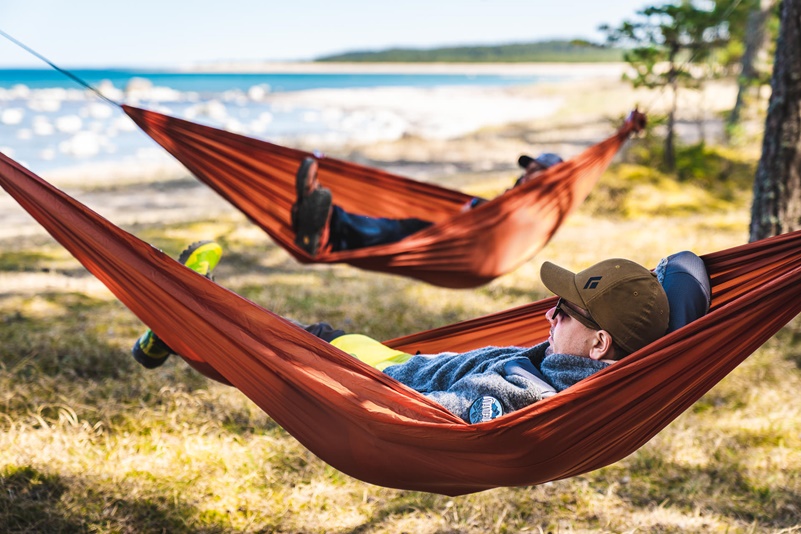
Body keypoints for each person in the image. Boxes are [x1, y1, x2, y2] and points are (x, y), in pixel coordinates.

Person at [132, 242, 711, 424]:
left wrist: (350, 405)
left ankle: (186, 309)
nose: (547, 316)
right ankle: (180, 322)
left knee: (263, 347)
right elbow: (685, 268)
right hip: (395, 360)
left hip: (367, 382)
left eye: (563, 312)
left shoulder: (534, 394)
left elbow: (447, 414)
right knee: (274, 338)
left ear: (601, 343)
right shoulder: (607, 358)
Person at [292, 152, 564, 256]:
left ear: (552, 178)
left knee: (404, 230)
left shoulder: (540, 207)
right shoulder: (518, 195)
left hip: (472, 248)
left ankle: (325, 219)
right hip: (463, 236)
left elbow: (503, 224)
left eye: (536, 170)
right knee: (399, 229)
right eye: (527, 169)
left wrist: (478, 208)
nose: (528, 173)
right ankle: (320, 226)